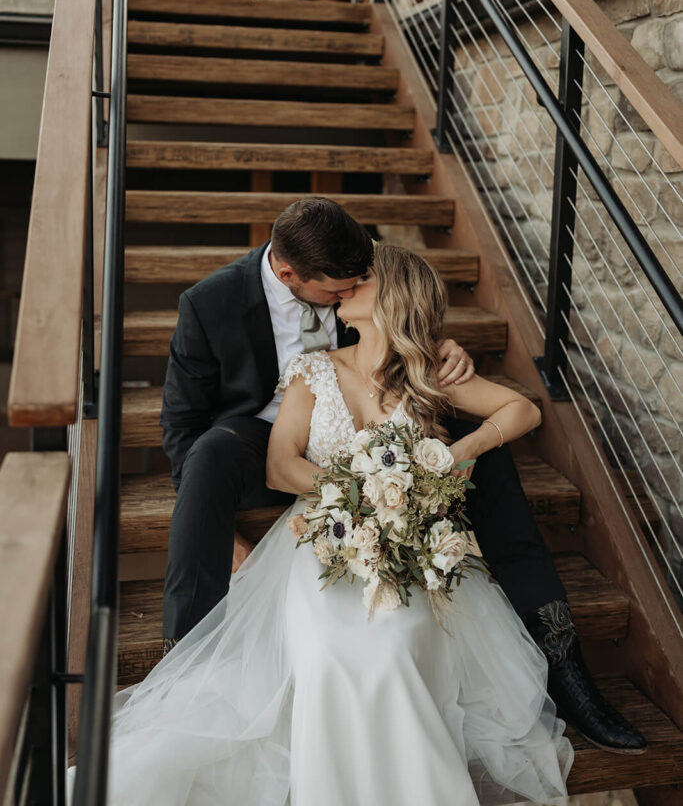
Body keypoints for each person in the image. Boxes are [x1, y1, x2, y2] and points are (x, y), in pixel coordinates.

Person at [160, 197, 646, 754]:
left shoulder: (351, 266)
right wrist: (224, 530)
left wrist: (442, 356)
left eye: (357, 281)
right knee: (206, 454)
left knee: (491, 457)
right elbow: (181, 423)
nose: (347, 292)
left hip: (384, 418)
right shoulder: (209, 303)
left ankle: (564, 661)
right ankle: (187, 661)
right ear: (290, 274)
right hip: (262, 435)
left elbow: (403, 324)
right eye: (338, 288)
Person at [106, 243, 573, 805]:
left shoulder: (428, 372)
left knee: (397, 644)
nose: (349, 283)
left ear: (392, 295)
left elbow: (523, 410)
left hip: (404, 544)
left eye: (364, 278)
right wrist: (360, 491)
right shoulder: (314, 369)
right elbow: (281, 468)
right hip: (320, 540)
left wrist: (454, 455)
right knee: (329, 651)